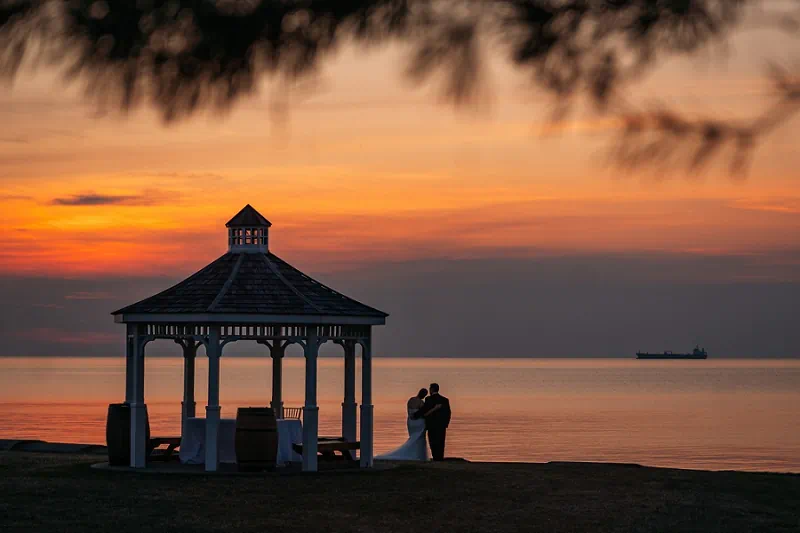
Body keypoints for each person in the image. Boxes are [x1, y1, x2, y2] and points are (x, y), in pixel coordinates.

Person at [375, 388, 430, 461]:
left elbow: (410, 413)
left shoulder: (411, 400)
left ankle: (415, 454)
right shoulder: (421, 402)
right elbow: (420, 414)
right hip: (419, 422)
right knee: (419, 438)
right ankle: (418, 455)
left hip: (411, 422)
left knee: (413, 437)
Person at [414, 383, 451, 461]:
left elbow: (424, 409)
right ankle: (440, 457)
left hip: (431, 424)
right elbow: (448, 413)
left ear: (432, 389)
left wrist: (415, 415)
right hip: (441, 425)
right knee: (441, 441)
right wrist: (446, 424)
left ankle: (435, 457)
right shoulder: (444, 400)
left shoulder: (428, 399)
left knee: (433, 441)